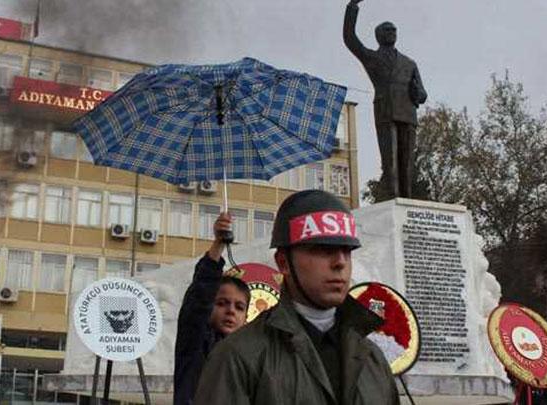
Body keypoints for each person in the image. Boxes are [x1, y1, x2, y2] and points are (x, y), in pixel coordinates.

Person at [194, 190, 399, 404]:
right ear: (283, 263)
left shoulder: (373, 358)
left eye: (346, 250)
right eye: (323, 249)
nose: (340, 262)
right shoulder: (237, 356)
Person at [343, 0, 427, 199]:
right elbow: (349, 38)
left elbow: (422, 93)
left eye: (394, 30)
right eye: (387, 30)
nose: (391, 32)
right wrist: (352, 6)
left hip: (408, 113)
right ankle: (393, 198)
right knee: (390, 162)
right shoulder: (371, 57)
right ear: (378, 36)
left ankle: (407, 201)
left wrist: (418, 93)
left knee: (407, 163)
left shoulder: (409, 63)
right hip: (385, 112)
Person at [173, 212, 251, 405]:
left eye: (239, 307)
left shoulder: (251, 355)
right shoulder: (195, 344)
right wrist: (218, 244)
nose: (231, 311)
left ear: (247, 317)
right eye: (222, 303)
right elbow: (199, 297)